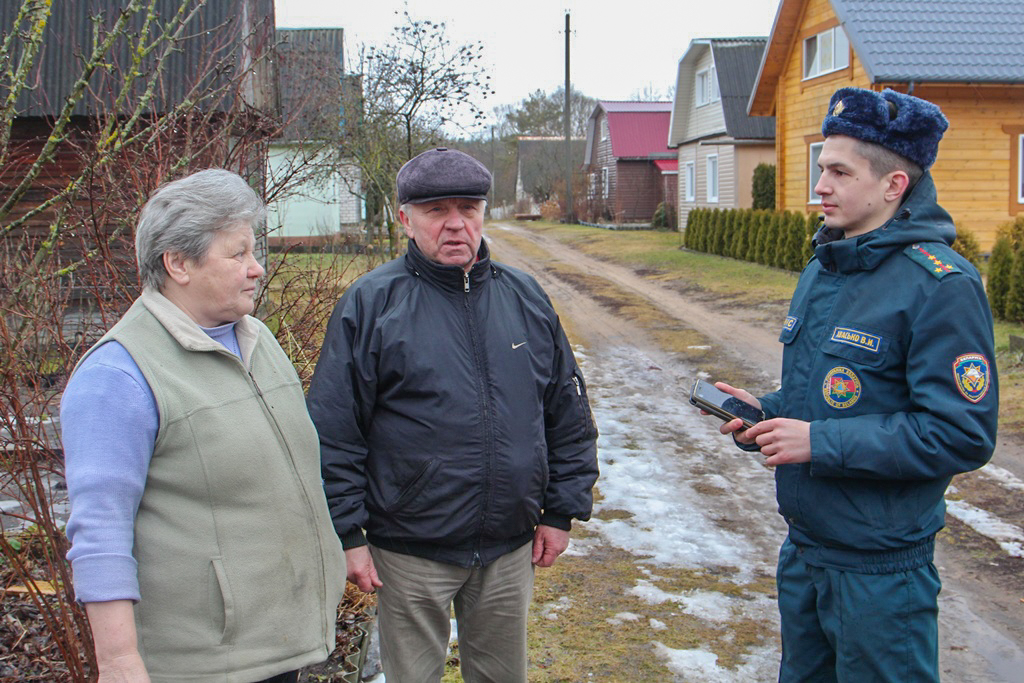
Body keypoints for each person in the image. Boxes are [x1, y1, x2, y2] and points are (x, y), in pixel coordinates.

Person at [707, 87, 998, 682]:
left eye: (840, 171)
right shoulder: (825, 267)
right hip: (807, 551)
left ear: (894, 186)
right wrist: (765, 412)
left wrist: (819, 442)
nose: (821, 185)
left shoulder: (940, 285)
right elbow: (827, 398)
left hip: (881, 573)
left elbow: (962, 433)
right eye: (821, 168)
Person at [307, 147, 599, 682]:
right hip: (409, 552)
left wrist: (561, 511)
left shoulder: (525, 298)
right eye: (436, 210)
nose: (455, 224)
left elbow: (567, 411)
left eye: (468, 208)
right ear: (405, 219)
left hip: (509, 549)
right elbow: (333, 429)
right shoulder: (372, 305)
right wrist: (348, 534)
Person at [61, 169, 345, 683]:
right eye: (237, 254)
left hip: (281, 644)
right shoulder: (117, 376)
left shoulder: (257, 339)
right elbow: (100, 531)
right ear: (178, 263)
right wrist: (120, 661)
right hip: (205, 664)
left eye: (253, 251)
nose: (257, 268)